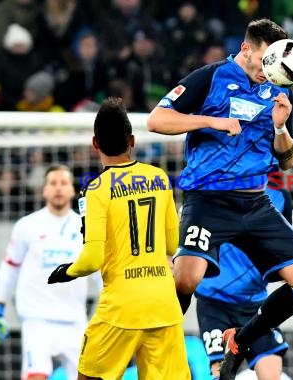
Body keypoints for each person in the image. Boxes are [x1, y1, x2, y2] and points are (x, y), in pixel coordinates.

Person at [147, 18, 293, 380]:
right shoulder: (210, 77)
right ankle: (157, 350)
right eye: (265, 63)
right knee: (185, 281)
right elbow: (157, 119)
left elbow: (287, 163)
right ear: (246, 49)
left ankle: (242, 341)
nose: (269, 73)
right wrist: (211, 122)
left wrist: (279, 128)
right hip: (208, 200)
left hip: (255, 204)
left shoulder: (279, 90)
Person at [47, 97, 191, 380]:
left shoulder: (95, 191)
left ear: (95, 144)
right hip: (164, 302)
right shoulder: (159, 178)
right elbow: (172, 245)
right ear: (132, 140)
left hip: (121, 307)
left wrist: (67, 271)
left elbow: (92, 259)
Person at [0, 164, 95, 380]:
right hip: (37, 318)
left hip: (75, 318)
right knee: (36, 375)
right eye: (53, 183)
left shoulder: (87, 228)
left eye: (64, 183)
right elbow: (10, 266)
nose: (58, 188)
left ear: (72, 190)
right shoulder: (27, 226)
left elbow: (100, 271)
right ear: (44, 190)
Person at [196, 187, 293, 380]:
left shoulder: (280, 198)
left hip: (256, 303)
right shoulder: (206, 191)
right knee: (221, 374)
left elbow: (289, 251)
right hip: (214, 303)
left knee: (272, 375)